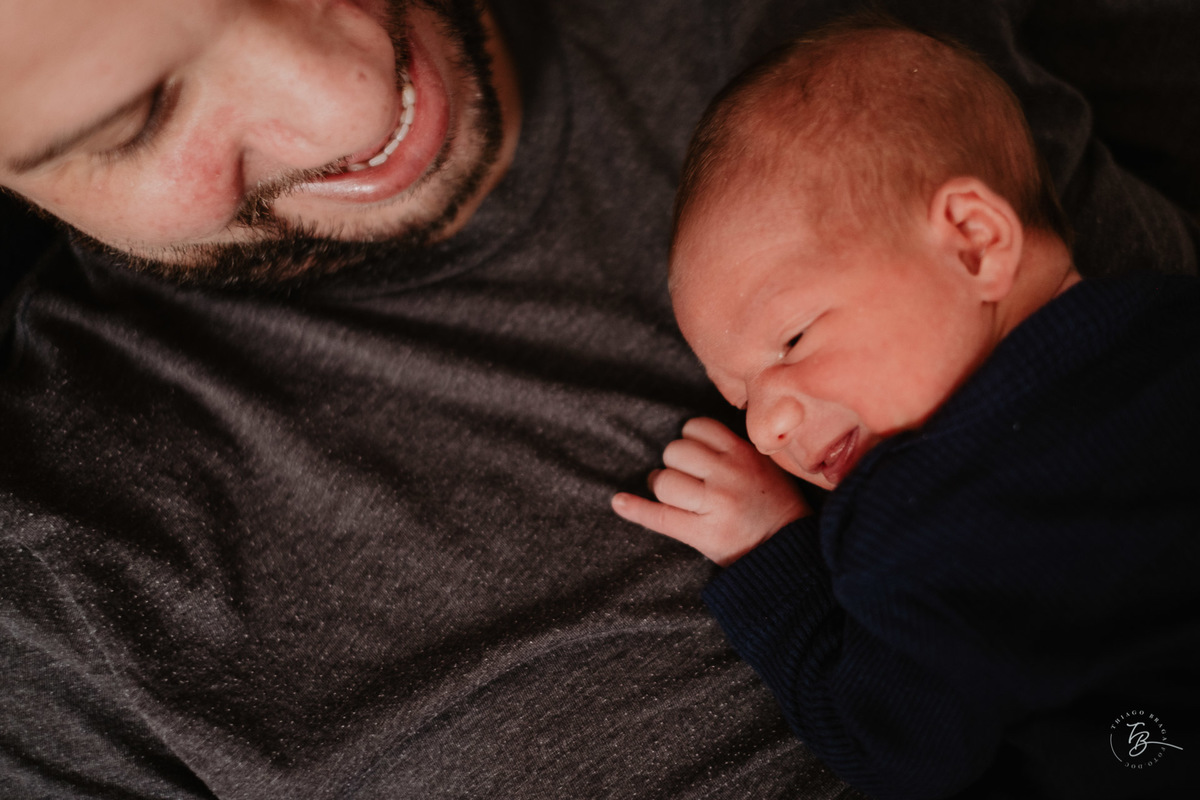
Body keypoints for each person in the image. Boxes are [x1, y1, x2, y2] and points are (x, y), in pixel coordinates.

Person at [0, 1, 1197, 797]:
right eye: (139, 115)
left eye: (790, 341)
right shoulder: (53, 587)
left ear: (976, 237)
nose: (352, 105)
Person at [613, 18, 1200, 799]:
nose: (765, 426)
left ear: (973, 243)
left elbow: (899, 750)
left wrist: (770, 555)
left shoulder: (912, 524)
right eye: (741, 397)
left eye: (793, 338)